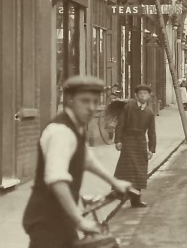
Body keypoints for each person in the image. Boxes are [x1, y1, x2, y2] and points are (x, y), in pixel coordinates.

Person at [22, 75, 131, 248]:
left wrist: (114, 182)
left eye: (95, 102)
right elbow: (57, 180)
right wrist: (80, 221)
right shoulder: (61, 132)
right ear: (70, 100)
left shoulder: (75, 127)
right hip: (46, 222)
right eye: (85, 101)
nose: (91, 107)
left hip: (62, 218)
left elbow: (87, 159)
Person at [114, 84, 156, 208]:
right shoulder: (128, 108)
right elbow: (120, 125)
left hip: (141, 143)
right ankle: (120, 193)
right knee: (126, 169)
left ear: (148, 96)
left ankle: (136, 200)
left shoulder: (149, 112)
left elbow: (152, 132)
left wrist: (151, 149)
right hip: (128, 140)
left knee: (139, 171)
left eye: (145, 94)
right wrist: (118, 141)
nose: (142, 96)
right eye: (140, 94)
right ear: (136, 95)